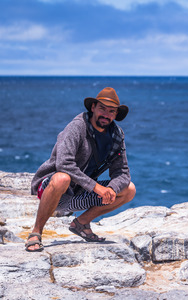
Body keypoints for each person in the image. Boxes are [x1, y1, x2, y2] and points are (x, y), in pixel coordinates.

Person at [25, 87, 136, 252]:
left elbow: (122, 172)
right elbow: (64, 164)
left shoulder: (116, 135)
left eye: (111, 111)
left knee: (129, 190)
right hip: (52, 189)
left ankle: (81, 223)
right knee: (62, 178)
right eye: (102, 109)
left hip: (77, 194)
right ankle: (36, 232)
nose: (106, 114)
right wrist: (96, 187)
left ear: (115, 114)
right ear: (93, 108)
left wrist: (111, 189)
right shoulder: (77, 127)